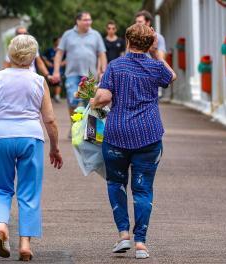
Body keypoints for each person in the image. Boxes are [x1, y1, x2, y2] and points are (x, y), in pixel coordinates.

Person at [90, 24, 176, 259]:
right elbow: (172, 76)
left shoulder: (115, 67)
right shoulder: (156, 67)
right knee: (143, 189)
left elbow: (104, 96)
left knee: (116, 183)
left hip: (117, 135)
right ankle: (141, 244)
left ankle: (123, 235)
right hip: (149, 134)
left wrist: (92, 97)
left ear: (127, 41)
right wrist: (157, 54)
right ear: (150, 44)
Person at [0, 34, 63, 261]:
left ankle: (2, 226)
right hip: (30, 137)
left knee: (0, 189)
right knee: (29, 192)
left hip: (0, 137)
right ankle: (25, 244)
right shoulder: (39, 81)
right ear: (33, 56)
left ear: (10, 54)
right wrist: (54, 147)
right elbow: (50, 120)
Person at [52, 11, 107, 134]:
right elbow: (59, 53)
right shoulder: (68, 35)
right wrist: (56, 71)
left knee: (91, 103)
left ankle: (91, 130)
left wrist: (103, 71)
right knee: (72, 101)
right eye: (85, 20)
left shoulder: (96, 35)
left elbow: (102, 54)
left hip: (89, 76)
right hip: (72, 74)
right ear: (78, 21)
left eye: (90, 20)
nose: (89, 22)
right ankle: (75, 126)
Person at [42, 37, 66, 103]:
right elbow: (43, 56)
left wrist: (62, 63)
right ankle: (47, 97)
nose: (60, 42)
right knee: (50, 82)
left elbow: (67, 58)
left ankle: (57, 96)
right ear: (55, 42)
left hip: (59, 69)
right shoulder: (49, 50)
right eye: (59, 41)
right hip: (50, 69)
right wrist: (47, 62)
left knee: (59, 82)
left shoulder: (62, 51)